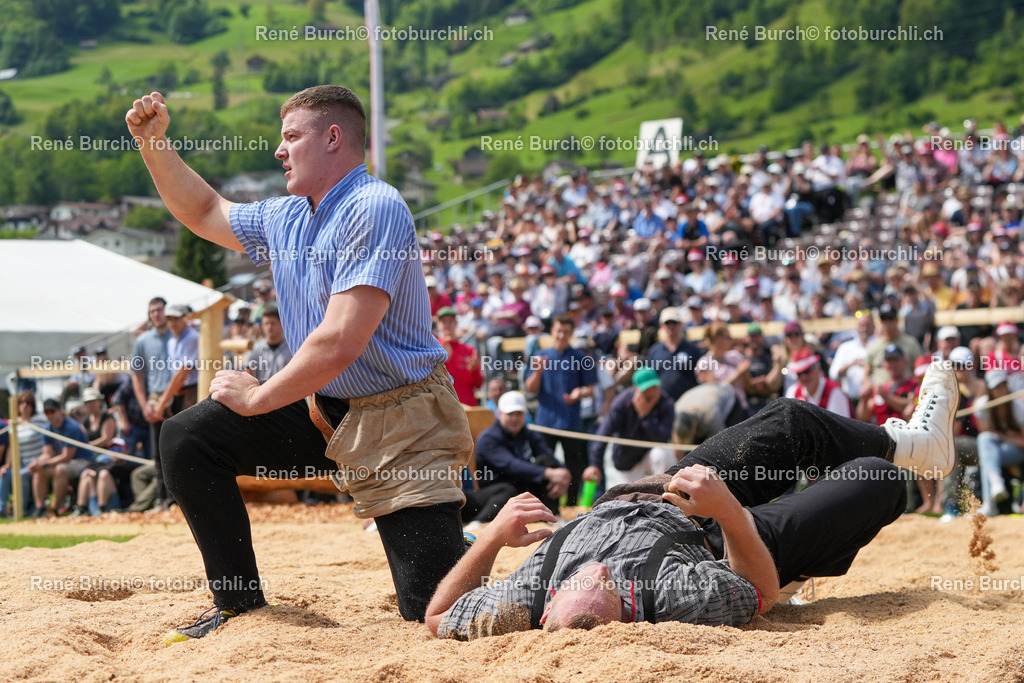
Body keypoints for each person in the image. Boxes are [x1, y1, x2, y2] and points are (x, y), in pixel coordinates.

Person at [125, 86, 473, 641]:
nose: (279, 151)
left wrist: (259, 398)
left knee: (436, 614)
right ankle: (238, 606)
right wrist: (153, 144)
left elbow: (339, 341)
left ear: (333, 138)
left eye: (291, 137)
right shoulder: (286, 216)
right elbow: (205, 209)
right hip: (323, 409)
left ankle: (484, 537)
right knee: (189, 438)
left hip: (404, 423)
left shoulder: (374, 207)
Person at [426, 362, 959, 639]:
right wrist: (727, 510)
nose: (597, 573)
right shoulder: (679, 593)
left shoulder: (527, 595)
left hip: (660, 488)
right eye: (607, 587)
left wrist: (493, 534)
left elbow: (439, 614)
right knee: (875, 480)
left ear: (546, 615)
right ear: (626, 609)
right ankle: (811, 554)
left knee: (792, 420)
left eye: (581, 580)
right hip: (726, 539)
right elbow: (760, 592)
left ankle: (921, 444)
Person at [523, 315, 596, 505]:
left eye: (566, 332)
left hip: (570, 422)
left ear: (571, 333)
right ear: (552, 331)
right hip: (546, 422)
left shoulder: (580, 358)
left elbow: (591, 389)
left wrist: (578, 394)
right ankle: (546, 507)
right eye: (558, 331)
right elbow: (530, 388)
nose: (562, 335)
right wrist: (537, 372)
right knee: (545, 465)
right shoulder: (540, 356)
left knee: (574, 465)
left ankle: (571, 506)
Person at [474, 391, 570, 517]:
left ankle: (552, 516)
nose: (514, 418)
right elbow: (511, 465)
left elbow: (548, 455)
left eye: (518, 414)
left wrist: (564, 474)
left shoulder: (528, 434)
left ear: (525, 414)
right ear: (500, 414)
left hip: (520, 483)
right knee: (508, 489)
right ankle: (479, 523)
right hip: (497, 490)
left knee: (547, 461)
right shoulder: (488, 438)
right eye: (510, 414)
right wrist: (549, 473)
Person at [585, 368, 676, 489]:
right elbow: (603, 433)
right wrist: (595, 464)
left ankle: (661, 495)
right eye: (647, 388)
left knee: (663, 454)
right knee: (624, 501)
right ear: (636, 389)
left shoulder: (666, 403)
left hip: (649, 456)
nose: (652, 391)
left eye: (655, 386)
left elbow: (662, 439)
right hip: (626, 461)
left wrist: (645, 417)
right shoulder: (622, 402)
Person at [130, 296, 173, 509]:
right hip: (155, 400)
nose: (156, 314)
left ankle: (177, 500)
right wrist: (144, 404)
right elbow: (136, 375)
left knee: (180, 448)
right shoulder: (143, 341)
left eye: (159, 310)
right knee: (158, 453)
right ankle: (163, 499)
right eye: (152, 311)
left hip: (180, 398)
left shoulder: (178, 335)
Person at [29, 399, 91, 517]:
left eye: (52, 411)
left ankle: (54, 508)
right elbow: (48, 454)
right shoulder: (47, 428)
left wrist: (44, 464)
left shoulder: (71, 427)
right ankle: (40, 508)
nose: (50, 415)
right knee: (38, 470)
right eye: (47, 412)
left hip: (82, 461)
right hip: (63, 461)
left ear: (60, 411)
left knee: (60, 469)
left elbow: (67, 456)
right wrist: (37, 463)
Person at [0, 391, 48, 517]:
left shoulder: (39, 420)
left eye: (28, 402)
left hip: (37, 461)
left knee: (20, 475)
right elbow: (12, 446)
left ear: (33, 405)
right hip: (20, 463)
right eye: (21, 402)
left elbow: (47, 443)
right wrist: (7, 464)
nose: (25, 405)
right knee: (5, 474)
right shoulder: (13, 423)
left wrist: (41, 461)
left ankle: (21, 510)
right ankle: (2, 508)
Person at [437, 306, 483, 406]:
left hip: (467, 406)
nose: (447, 325)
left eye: (450, 321)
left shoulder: (469, 350)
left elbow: (478, 384)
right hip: (443, 406)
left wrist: (474, 371)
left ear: (456, 323)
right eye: (444, 321)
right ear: (438, 324)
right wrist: (443, 359)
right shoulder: (432, 350)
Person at [785, 349, 851, 418]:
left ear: (818, 368)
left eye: (807, 371)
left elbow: (839, 426)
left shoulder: (835, 392)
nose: (804, 377)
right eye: (799, 373)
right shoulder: (793, 392)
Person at [245, 305, 293, 382]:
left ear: (281, 324)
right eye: (266, 323)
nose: (269, 327)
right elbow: (247, 372)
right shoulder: (256, 348)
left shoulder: (291, 349)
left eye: (272, 323)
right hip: (261, 391)